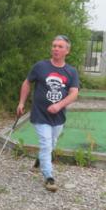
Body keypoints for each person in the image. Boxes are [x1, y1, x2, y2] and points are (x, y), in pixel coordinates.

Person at [17, 35, 79, 192]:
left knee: (52, 142)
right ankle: (49, 177)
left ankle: (40, 160)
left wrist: (59, 105)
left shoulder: (71, 71)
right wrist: (21, 102)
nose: (56, 49)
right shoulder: (40, 66)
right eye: (54, 46)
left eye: (60, 46)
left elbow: (73, 94)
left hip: (58, 116)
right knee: (46, 143)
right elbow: (26, 82)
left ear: (67, 51)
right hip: (40, 113)